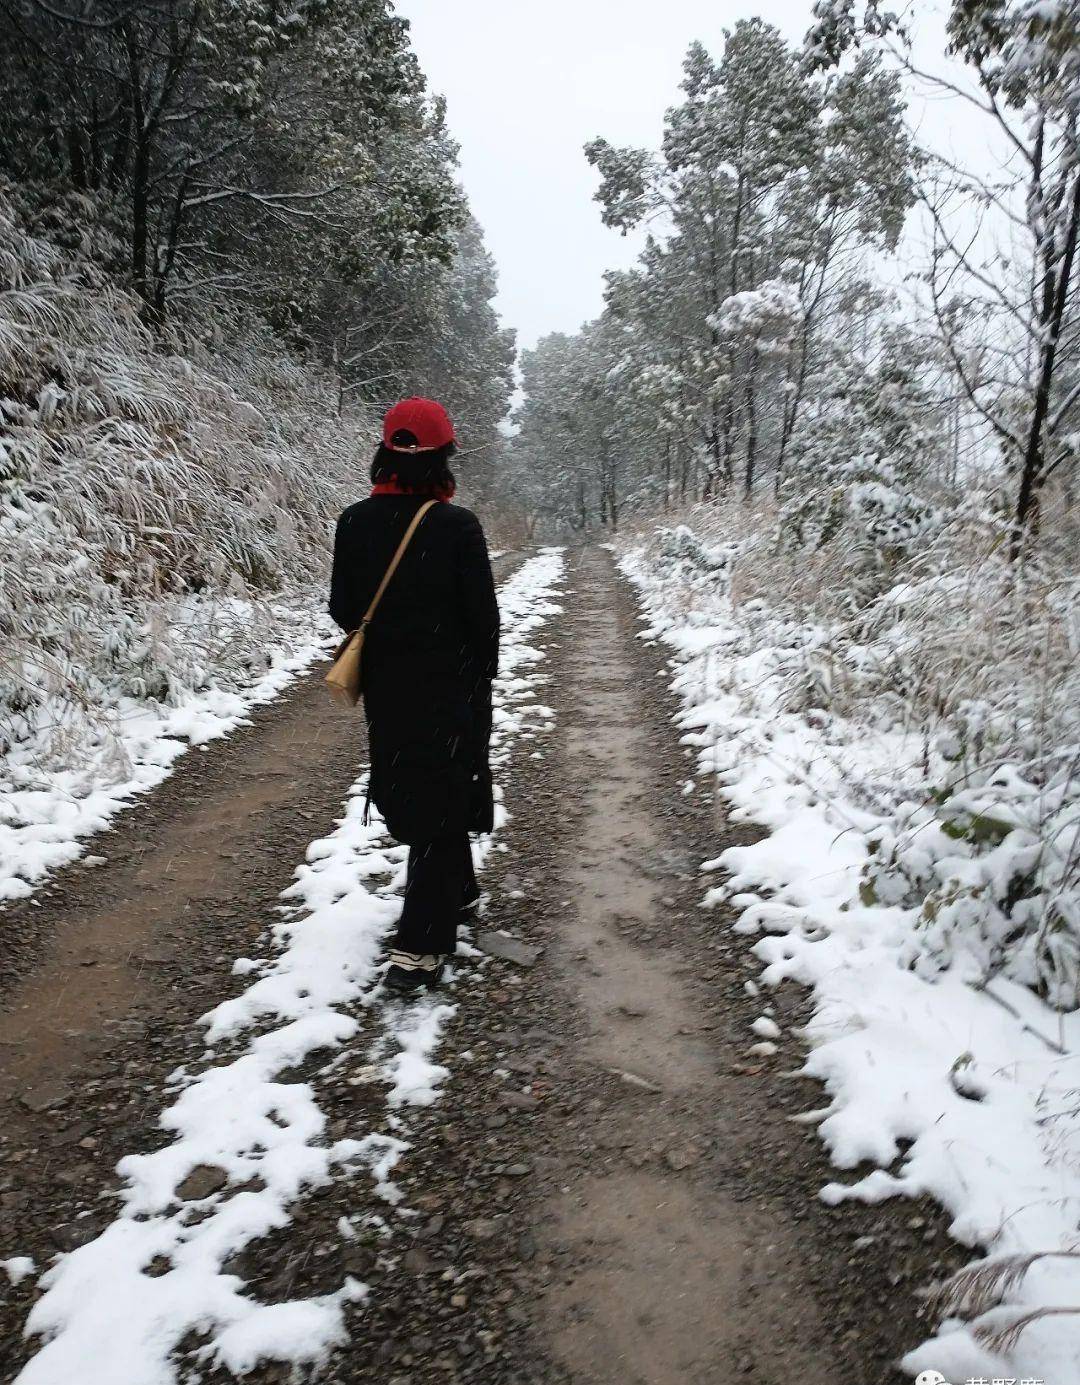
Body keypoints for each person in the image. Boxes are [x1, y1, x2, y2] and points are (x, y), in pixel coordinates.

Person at [329, 397, 499, 995]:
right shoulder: (456, 527)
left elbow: (344, 610)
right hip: (451, 685)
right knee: (446, 796)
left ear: (385, 454)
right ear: (442, 457)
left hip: (388, 687)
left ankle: (460, 892)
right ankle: (418, 947)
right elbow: (483, 622)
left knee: (413, 783)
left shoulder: (353, 522)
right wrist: (478, 681)